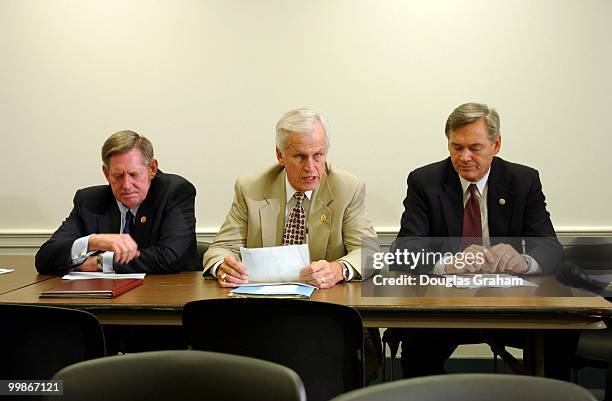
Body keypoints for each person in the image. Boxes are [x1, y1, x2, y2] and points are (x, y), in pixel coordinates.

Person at [391, 102, 575, 380]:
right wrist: (447, 263)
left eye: (474, 148)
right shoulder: (424, 181)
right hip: (444, 307)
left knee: (559, 333)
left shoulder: (523, 180)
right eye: (456, 147)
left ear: (496, 145)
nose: (464, 157)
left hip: (510, 306)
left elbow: (550, 248)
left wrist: (525, 262)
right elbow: (403, 250)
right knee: (417, 346)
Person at [203, 107, 382, 380]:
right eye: (300, 156)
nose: (311, 167)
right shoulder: (251, 188)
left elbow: (369, 252)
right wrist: (222, 266)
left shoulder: (348, 187)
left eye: (318, 155)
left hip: (325, 317)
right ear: (280, 156)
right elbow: (219, 248)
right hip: (261, 316)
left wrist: (338, 269)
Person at [36, 130, 199, 274]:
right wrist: (93, 241)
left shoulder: (174, 192)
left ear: (152, 169)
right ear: (106, 173)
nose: (127, 185)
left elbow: (169, 257)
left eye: (134, 174)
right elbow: (44, 258)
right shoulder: (89, 201)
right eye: (118, 176)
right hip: (99, 297)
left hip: (167, 295)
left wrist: (101, 262)